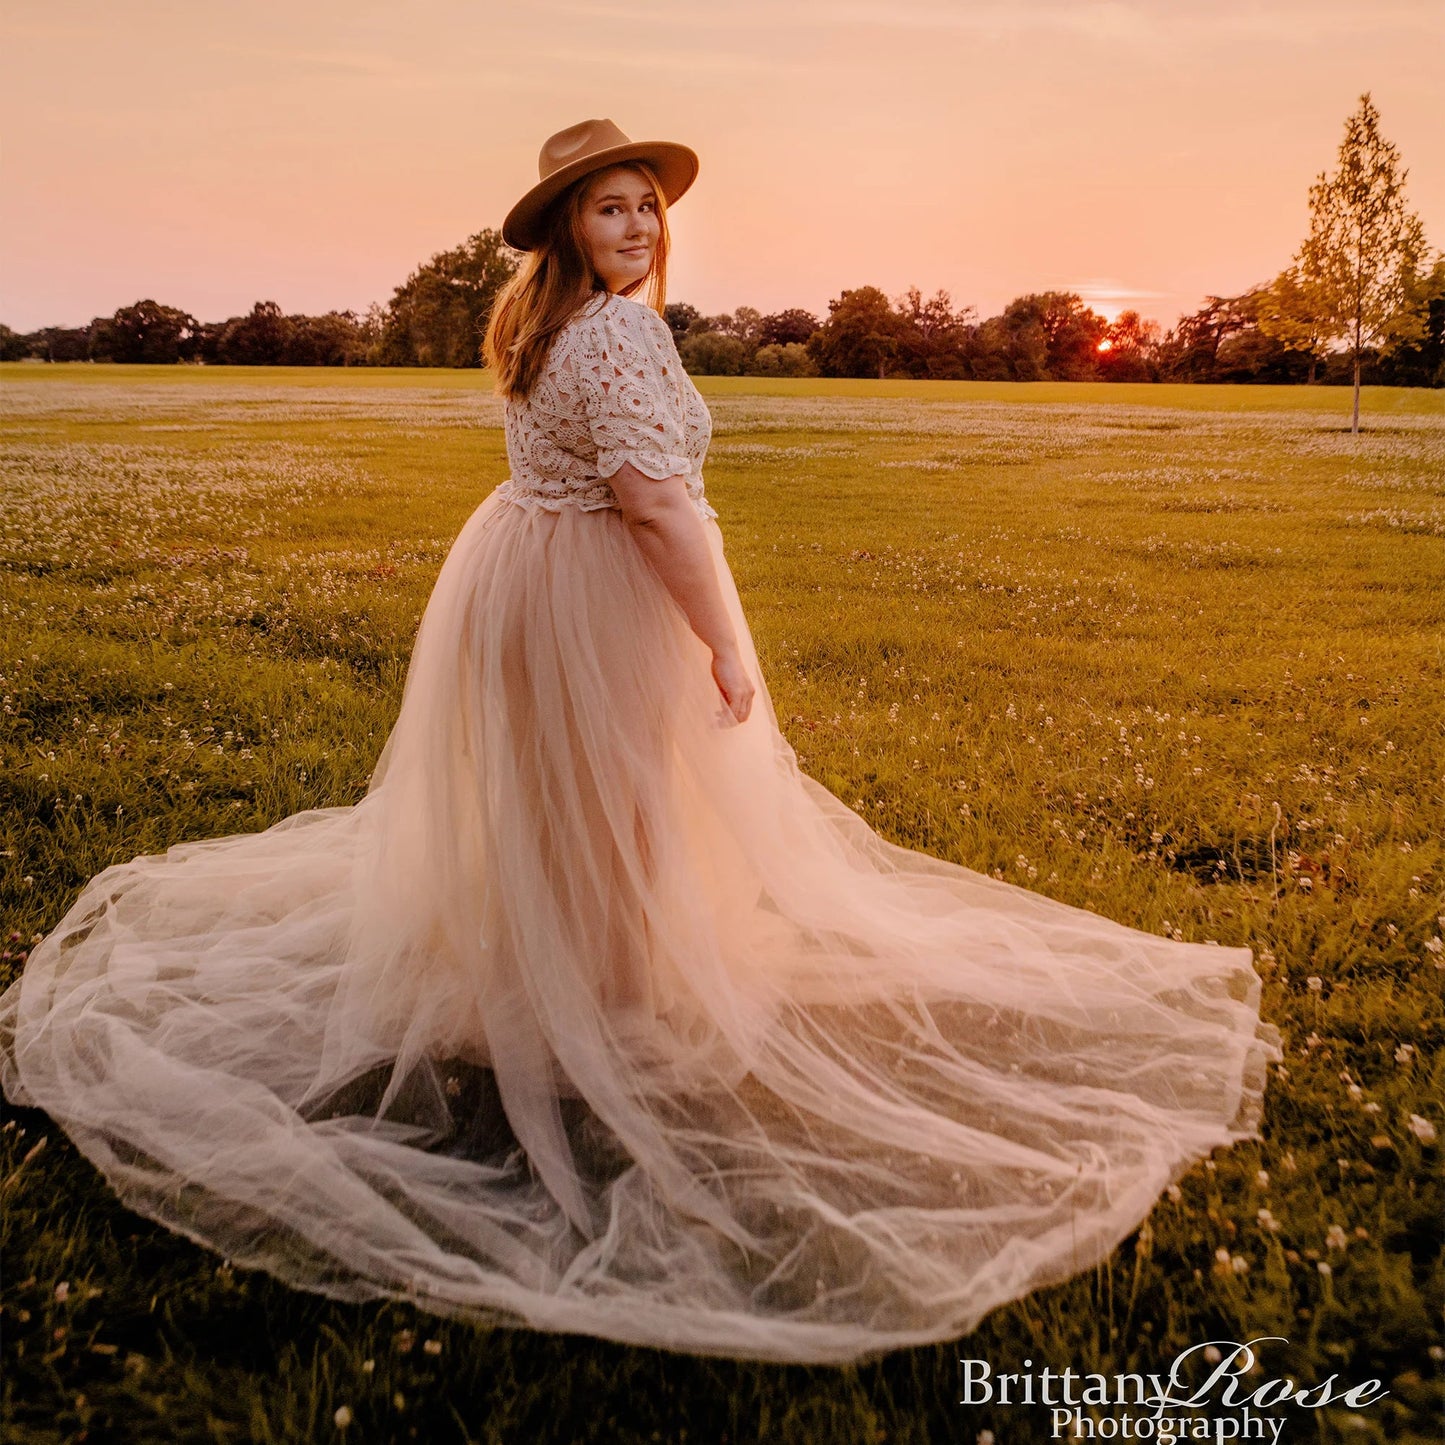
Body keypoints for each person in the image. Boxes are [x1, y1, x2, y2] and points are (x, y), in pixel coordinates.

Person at [0, 118, 1282, 1364]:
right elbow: (659, 509)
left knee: (576, 802)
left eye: (646, 204)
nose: (635, 223)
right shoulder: (610, 334)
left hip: (527, 571)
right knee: (631, 804)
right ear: (567, 226)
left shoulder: (548, 324)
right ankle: (606, 1016)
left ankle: (579, 986)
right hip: (594, 590)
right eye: (608, 206)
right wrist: (725, 638)